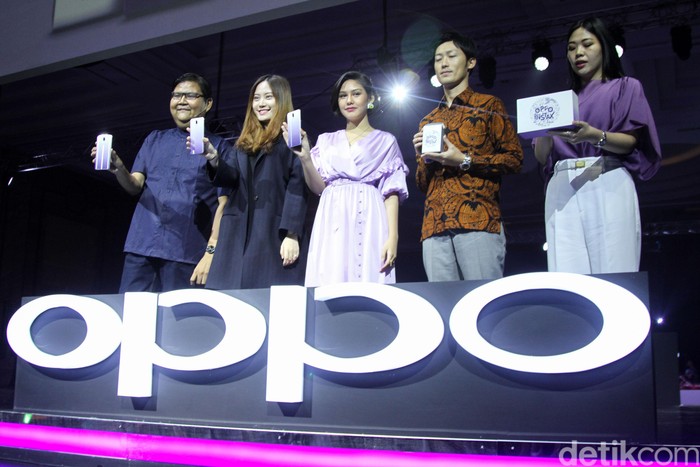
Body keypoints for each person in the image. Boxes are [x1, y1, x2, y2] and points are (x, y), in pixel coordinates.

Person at [534, 17, 661, 274]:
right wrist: (543, 130)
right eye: (571, 48)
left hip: (605, 175)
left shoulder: (625, 87)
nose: (578, 53)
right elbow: (541, 156)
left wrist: (594, 136)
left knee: (614, 269)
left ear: (604, 47)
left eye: (587, 44)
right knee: (566, 274)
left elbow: (630, 142)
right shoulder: (559, 101)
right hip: (562, 183)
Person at [92, 73, 231, 292]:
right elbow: (134, 186)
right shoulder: (154, 139)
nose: (181, 101)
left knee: (177, 314)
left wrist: (211, 251)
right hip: (142, 246)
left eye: (190, 95)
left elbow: (225, 203)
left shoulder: (220, 147)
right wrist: (118, 167)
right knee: (132, 309)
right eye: (176, 95)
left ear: (208, 103)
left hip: (186, 251)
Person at [413, 31, 523, 282]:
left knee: (483, 298)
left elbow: (515, 159)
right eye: (438, 59)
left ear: (471, 62)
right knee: (441, 302)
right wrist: (422, 158)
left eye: (451, 56)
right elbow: (422, 184)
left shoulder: (489, 105)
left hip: (478, 220)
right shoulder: (428, 120)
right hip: (434, 226)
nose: (443, 63)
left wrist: (463, 160)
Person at [283, 71, 409, 287]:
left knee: (369, 277)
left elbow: (392, 192)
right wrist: (305, 157)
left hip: (370, 216)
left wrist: (393, 237)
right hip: (332, 216)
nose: (349, 100)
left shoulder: (386, 141)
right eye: (343, 96)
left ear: (370, 98)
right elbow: (318, 188)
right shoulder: (326, 141)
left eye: (356, 94)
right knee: (330, 279)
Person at [195, 74, 308, 289]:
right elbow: (230, 178)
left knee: (267, 299)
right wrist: (214, 158)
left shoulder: (291, 138)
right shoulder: (242, 143)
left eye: (268, 97)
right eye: (256, 98)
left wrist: (292, 234)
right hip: (236, 235)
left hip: (272, 232)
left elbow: (298, 186)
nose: (261, 104)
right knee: (229, 299)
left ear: (282, 99)